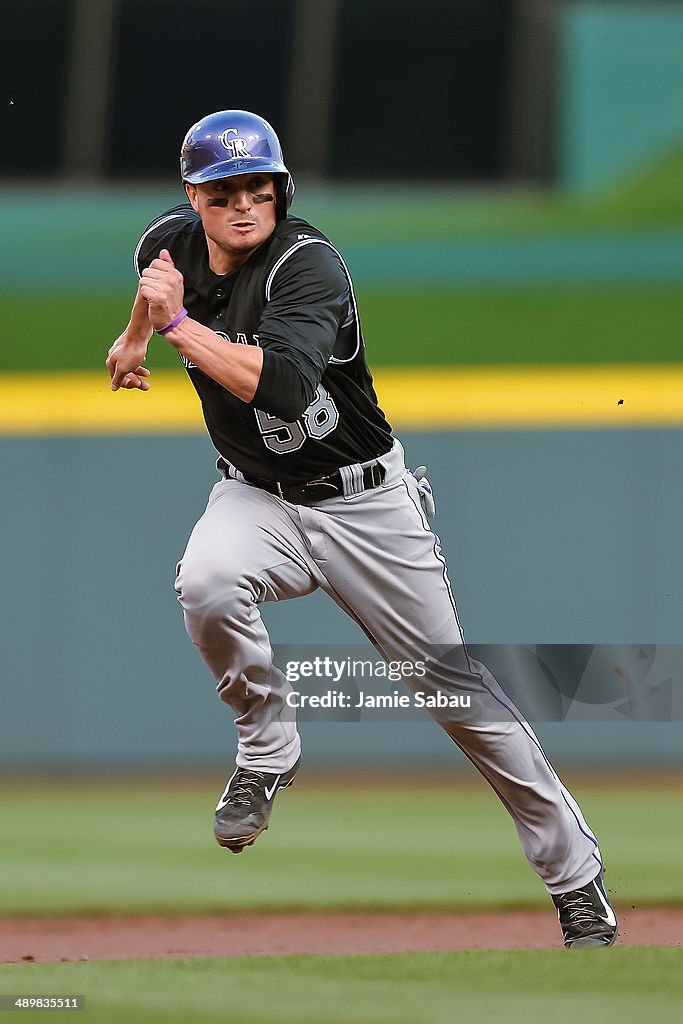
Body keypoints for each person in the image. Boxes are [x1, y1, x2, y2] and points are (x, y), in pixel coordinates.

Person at [106, 109, 617, 949]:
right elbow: (157, 289)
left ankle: (578, 885)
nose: (244, 205)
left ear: (280, 189)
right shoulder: (166, 244)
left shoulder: (309, 267)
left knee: (459, 699)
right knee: (203, 580)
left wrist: (168, 330)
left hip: (364, 505)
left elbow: (273, 386)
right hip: (257, 497)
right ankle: (267, 752)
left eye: (258, 187)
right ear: (193, 198)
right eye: (223, 190)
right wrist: (132, 339)